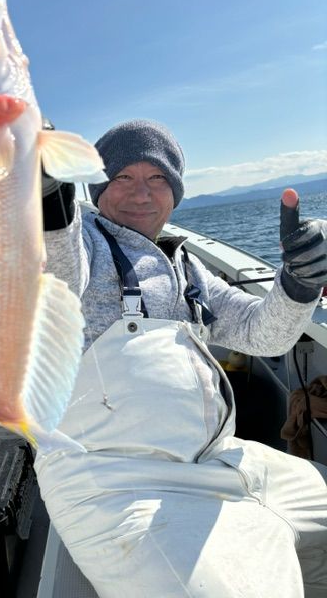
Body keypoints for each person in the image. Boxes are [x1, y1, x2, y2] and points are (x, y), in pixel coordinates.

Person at [34, 118, 327, 598]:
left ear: (175, 191)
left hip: (220, 460)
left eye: (157, 178)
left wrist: (299, 282)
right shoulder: (82, 241)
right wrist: (44, 194)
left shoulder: (186, 265)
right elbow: (55, 274)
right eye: (123, 177)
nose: (141, 193)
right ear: (96, 188)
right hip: (115, 486)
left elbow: (263, 334)